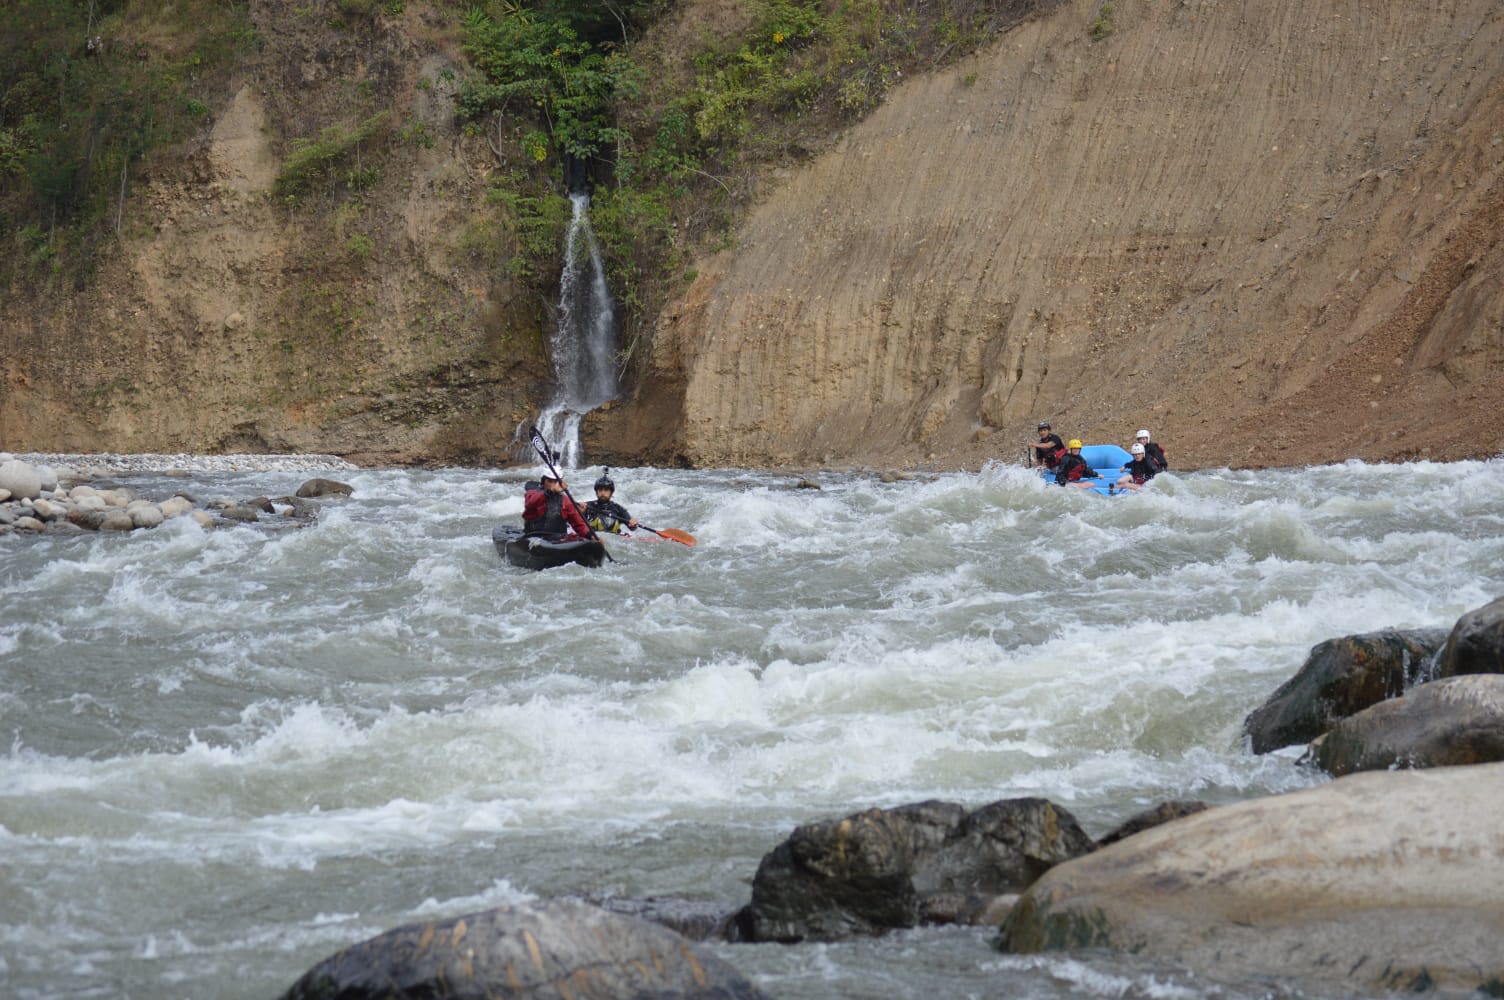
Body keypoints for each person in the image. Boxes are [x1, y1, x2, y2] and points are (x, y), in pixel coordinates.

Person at [522, 470, 595, 540]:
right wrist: (550, 491)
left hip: (558, 538)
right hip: (534, 536)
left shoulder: (566, 500)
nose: (553, 485)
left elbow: (578, 523)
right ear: (543, 482)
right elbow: (530, 503)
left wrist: (590, 535)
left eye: (556, 482)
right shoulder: (532, 493)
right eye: (550, 481)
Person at [582, 468, 639, 534]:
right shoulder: (588, 506)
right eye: (600, 490)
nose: (603, 493)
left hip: (613, 538)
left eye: (606, 490)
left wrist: (633, 524)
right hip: (593, 538)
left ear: (611, 492)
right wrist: (581, 511)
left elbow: (632, 527)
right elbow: (577, 522)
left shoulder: (619, 509)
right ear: (596, 492)